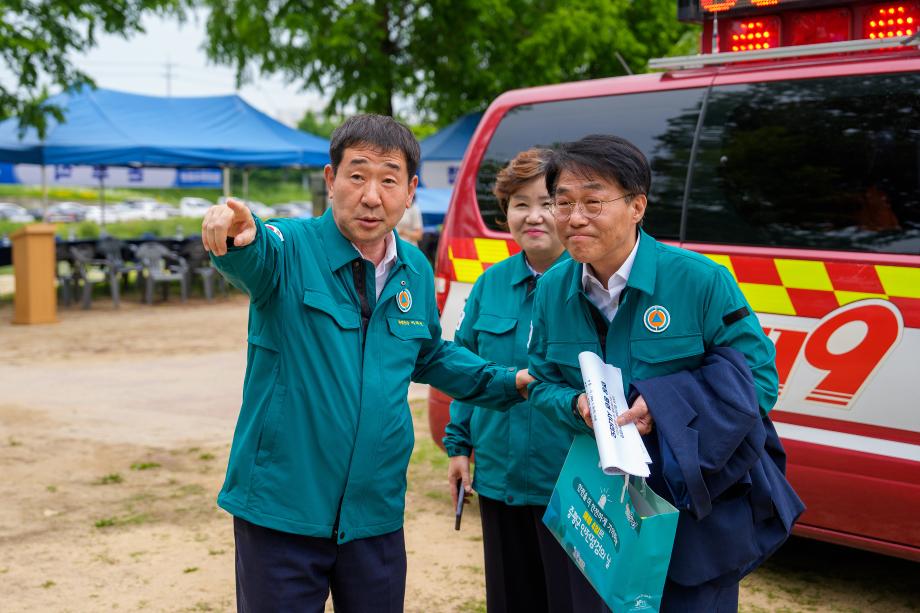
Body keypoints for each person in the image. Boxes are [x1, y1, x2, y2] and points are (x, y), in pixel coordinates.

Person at [201, 114, 533, 613]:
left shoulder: (414, 269)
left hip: (374, 514)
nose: (371, 195)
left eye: (388, 179)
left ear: (411, 190)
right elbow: (254, 255)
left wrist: (512, 382)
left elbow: (429, 355)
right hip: (282, 510)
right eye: (357, 175)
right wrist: (237, 236)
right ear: (331, 180)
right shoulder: (290, 248)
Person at [528, 135, 803, 612]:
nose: (573, 218)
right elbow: (540, 384)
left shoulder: (700, 280)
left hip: (692, 510)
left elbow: (759, 381)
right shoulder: (553, 288)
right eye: (562, 202)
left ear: (637, 206)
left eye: (593, 202)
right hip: (598, 512)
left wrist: (667, 407)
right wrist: (575, 406)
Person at [443, 148, 606, 612]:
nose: (534, 216)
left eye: (546, 202)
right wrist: (458, 447)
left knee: (571, 602)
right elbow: (465, 369)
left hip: (571, 481)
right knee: (511, 600)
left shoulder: (592, 284)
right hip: (500, 478)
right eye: (520, 204)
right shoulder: (490, 284)